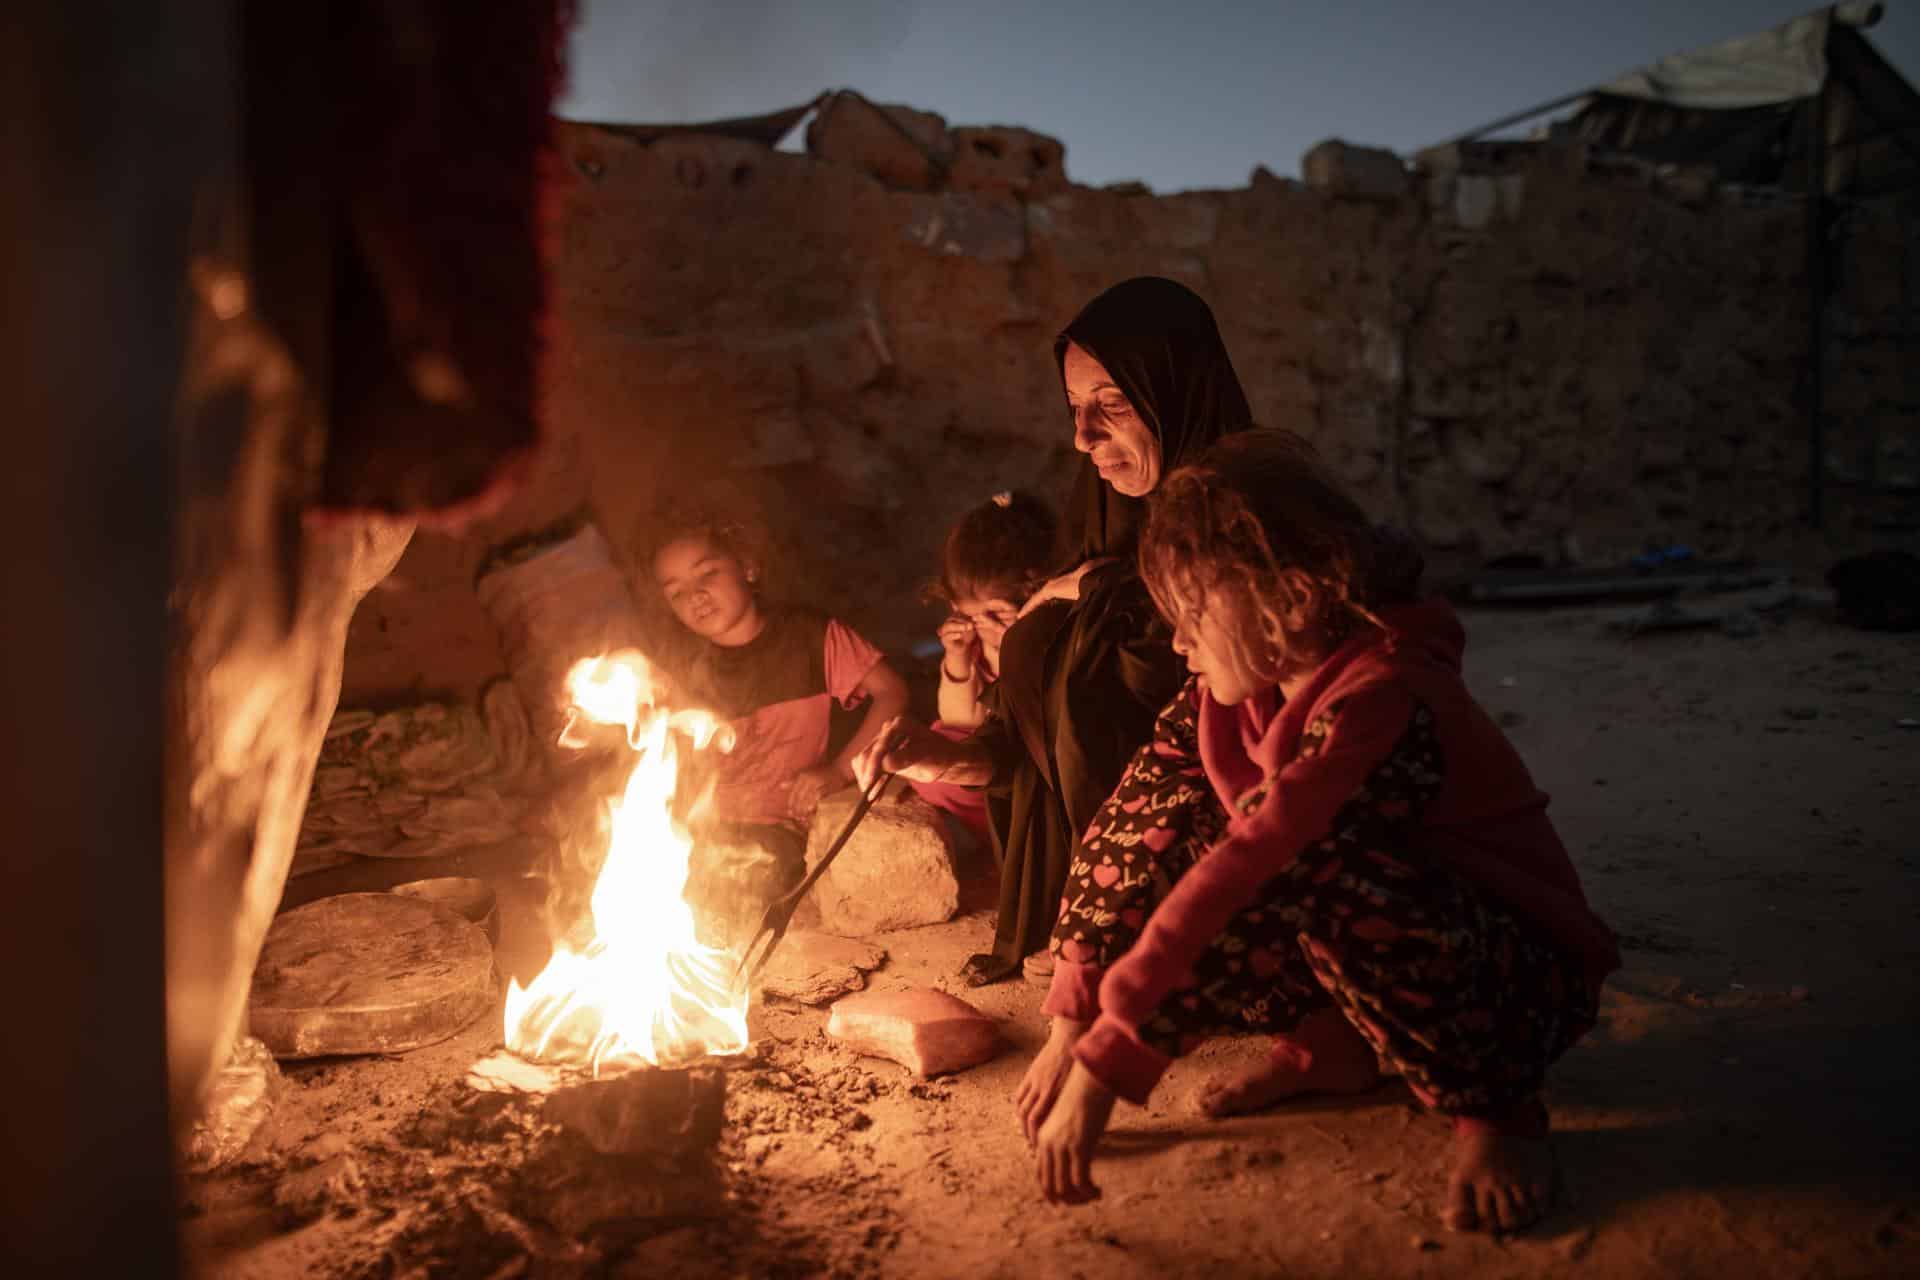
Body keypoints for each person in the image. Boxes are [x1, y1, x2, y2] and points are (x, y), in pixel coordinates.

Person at [1018, 430, 1620, 1234]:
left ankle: (1499, 1111)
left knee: (1300, 865)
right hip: (1362, 931)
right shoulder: (1229, 693)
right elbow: (1133, 822)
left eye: (1192, 614)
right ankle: (1327, 1045)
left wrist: (1108, 1065)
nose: (1176, 641)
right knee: (1182, 812)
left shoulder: (1385, 699)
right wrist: (1076, 1010)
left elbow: (1262, 870)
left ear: (1294, 600)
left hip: (1509, 981)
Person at [854, 277, 1255, 986]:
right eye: (1073, 408)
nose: (1082, 437)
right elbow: (1052, 738)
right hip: (1115, 867)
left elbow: (1178, 706)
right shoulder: (1100, 515)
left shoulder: (1248, 508)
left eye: (1113, 405)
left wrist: (1096, 586)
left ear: (1175, 391)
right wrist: (952, 759)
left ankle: (1155, 940)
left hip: (1226, 846)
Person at [645, 501, 908, 916]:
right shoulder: (682, 671)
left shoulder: (810, 638)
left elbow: (892, 693)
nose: (695, 596)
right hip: (709, 831)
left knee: (745, 883)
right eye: (676, 592)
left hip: (782, 829)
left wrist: (840, 770)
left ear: (747, 566)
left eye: (707, 574)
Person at [910, 491, 1059, 847]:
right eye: (973, 616)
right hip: (990, 768)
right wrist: (959, 659)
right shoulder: (976, 642)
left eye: (999, 613)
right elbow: (962, 724)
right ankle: (987, 837)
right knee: (934, 754)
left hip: (1044, 769)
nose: (985, 625)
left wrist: (1019, 650)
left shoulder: (1057, 635)